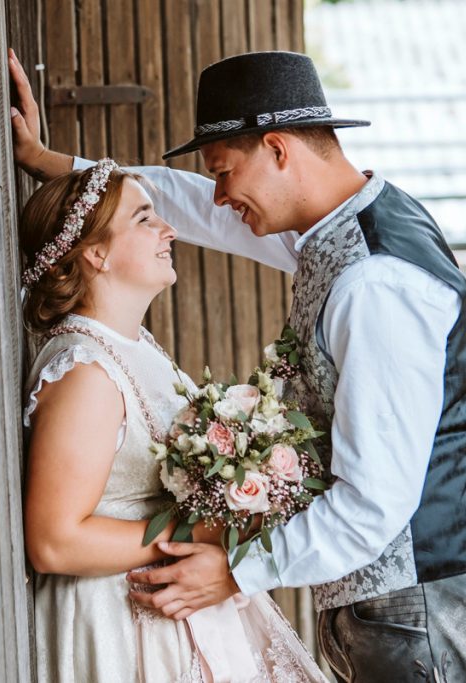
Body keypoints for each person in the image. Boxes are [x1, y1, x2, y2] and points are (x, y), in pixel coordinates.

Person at [10, 48, 466, 681]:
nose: (223, 193)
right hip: (385, 610)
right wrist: (54, 166)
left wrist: (236, 568)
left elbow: (374, 505)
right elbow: (191, 204)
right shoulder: (336, 226)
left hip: (422, 611)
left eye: (227, 170)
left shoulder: (374, 283)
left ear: (279, 150)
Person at [19, 157, 327, 681]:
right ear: (95, 252)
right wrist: (197, 530)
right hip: (120, 622)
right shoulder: (84, 374)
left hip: (169, 600)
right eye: (144, 219)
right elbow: (54, 541)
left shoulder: (133, 346)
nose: (170, 230)